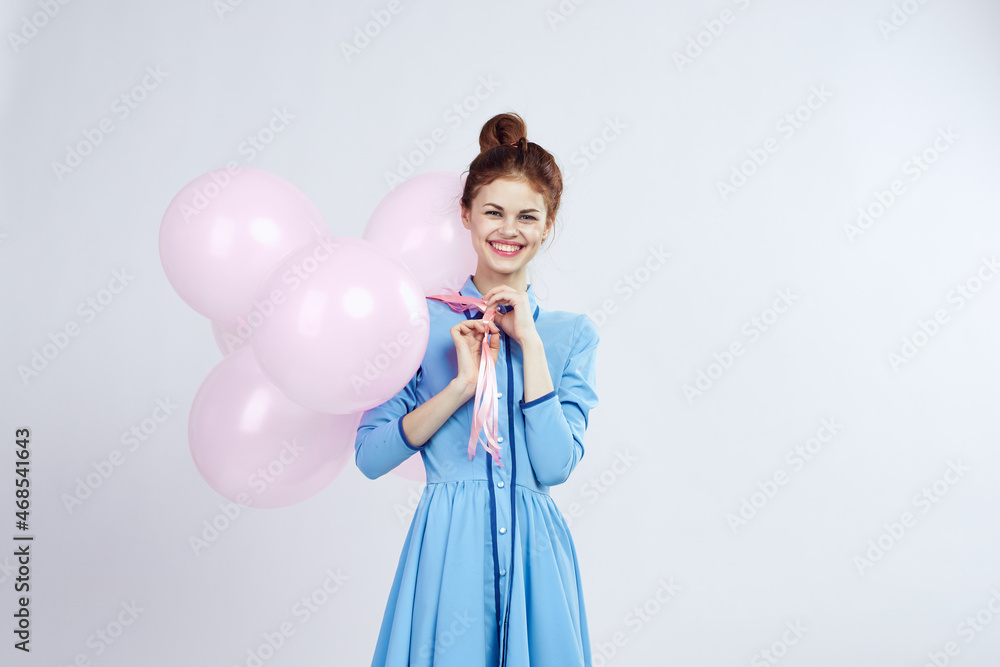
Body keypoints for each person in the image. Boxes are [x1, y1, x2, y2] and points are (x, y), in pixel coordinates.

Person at [355, 111, 600, 667]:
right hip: (448, 551)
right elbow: (371, 456)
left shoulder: (571, 336)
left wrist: (530, 343)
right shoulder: (415, 322)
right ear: (465, 215)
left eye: (526, 216)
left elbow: (554, 466)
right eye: (492, 211)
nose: (507, 230)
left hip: (538, 559)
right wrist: (462, 385)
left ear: (548, 223)